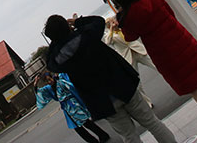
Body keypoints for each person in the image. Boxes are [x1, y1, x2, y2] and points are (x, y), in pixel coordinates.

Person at [108, 0, 197, 132]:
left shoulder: (128, 17)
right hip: (181, 39)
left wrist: (120, 21)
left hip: (164, 54)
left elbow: (130, 37)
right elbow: (170, 12)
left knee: (193, 88)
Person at [45, 14, 177, 143]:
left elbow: (49, 62)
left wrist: (55, 41)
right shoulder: (87, 35)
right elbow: (98, 20)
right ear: (67, 26)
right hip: (122, 85)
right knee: (152, 123)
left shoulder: (59, 59)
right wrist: (77, 22)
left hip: (103, 102)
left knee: (129, 137)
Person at [35, 70, 110, 143]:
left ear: (51, 77)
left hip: (73, 105)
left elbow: (70, 85)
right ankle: (94, 140)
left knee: (86, 123)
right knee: (77, 128)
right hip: (67, 109)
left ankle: (103, 136)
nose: (49, 82)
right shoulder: (48, 88)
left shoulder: (60, 80)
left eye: (49, 79)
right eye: (47, 81)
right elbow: (41, 92)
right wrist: (35, 84)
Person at [103, 17, 155, 107]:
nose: (114, 23)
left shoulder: (123, 27)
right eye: (111, 22)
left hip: (139, 51)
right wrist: (111, 28)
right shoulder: (109, 35)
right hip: (128, 57)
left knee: (156, 65)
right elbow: (108, 42)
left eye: (114, 21)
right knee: (137, 83)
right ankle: (148, 103)